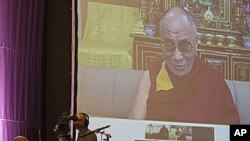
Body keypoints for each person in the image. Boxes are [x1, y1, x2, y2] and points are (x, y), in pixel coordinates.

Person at [145, 6, 240, 125]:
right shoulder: (153, 75)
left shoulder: (213, 81)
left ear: (196, 43)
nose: (177, 56)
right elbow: (132, 129)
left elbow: (232, 132)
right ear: (161, 45)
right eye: (169, 45)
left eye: (184, 46)